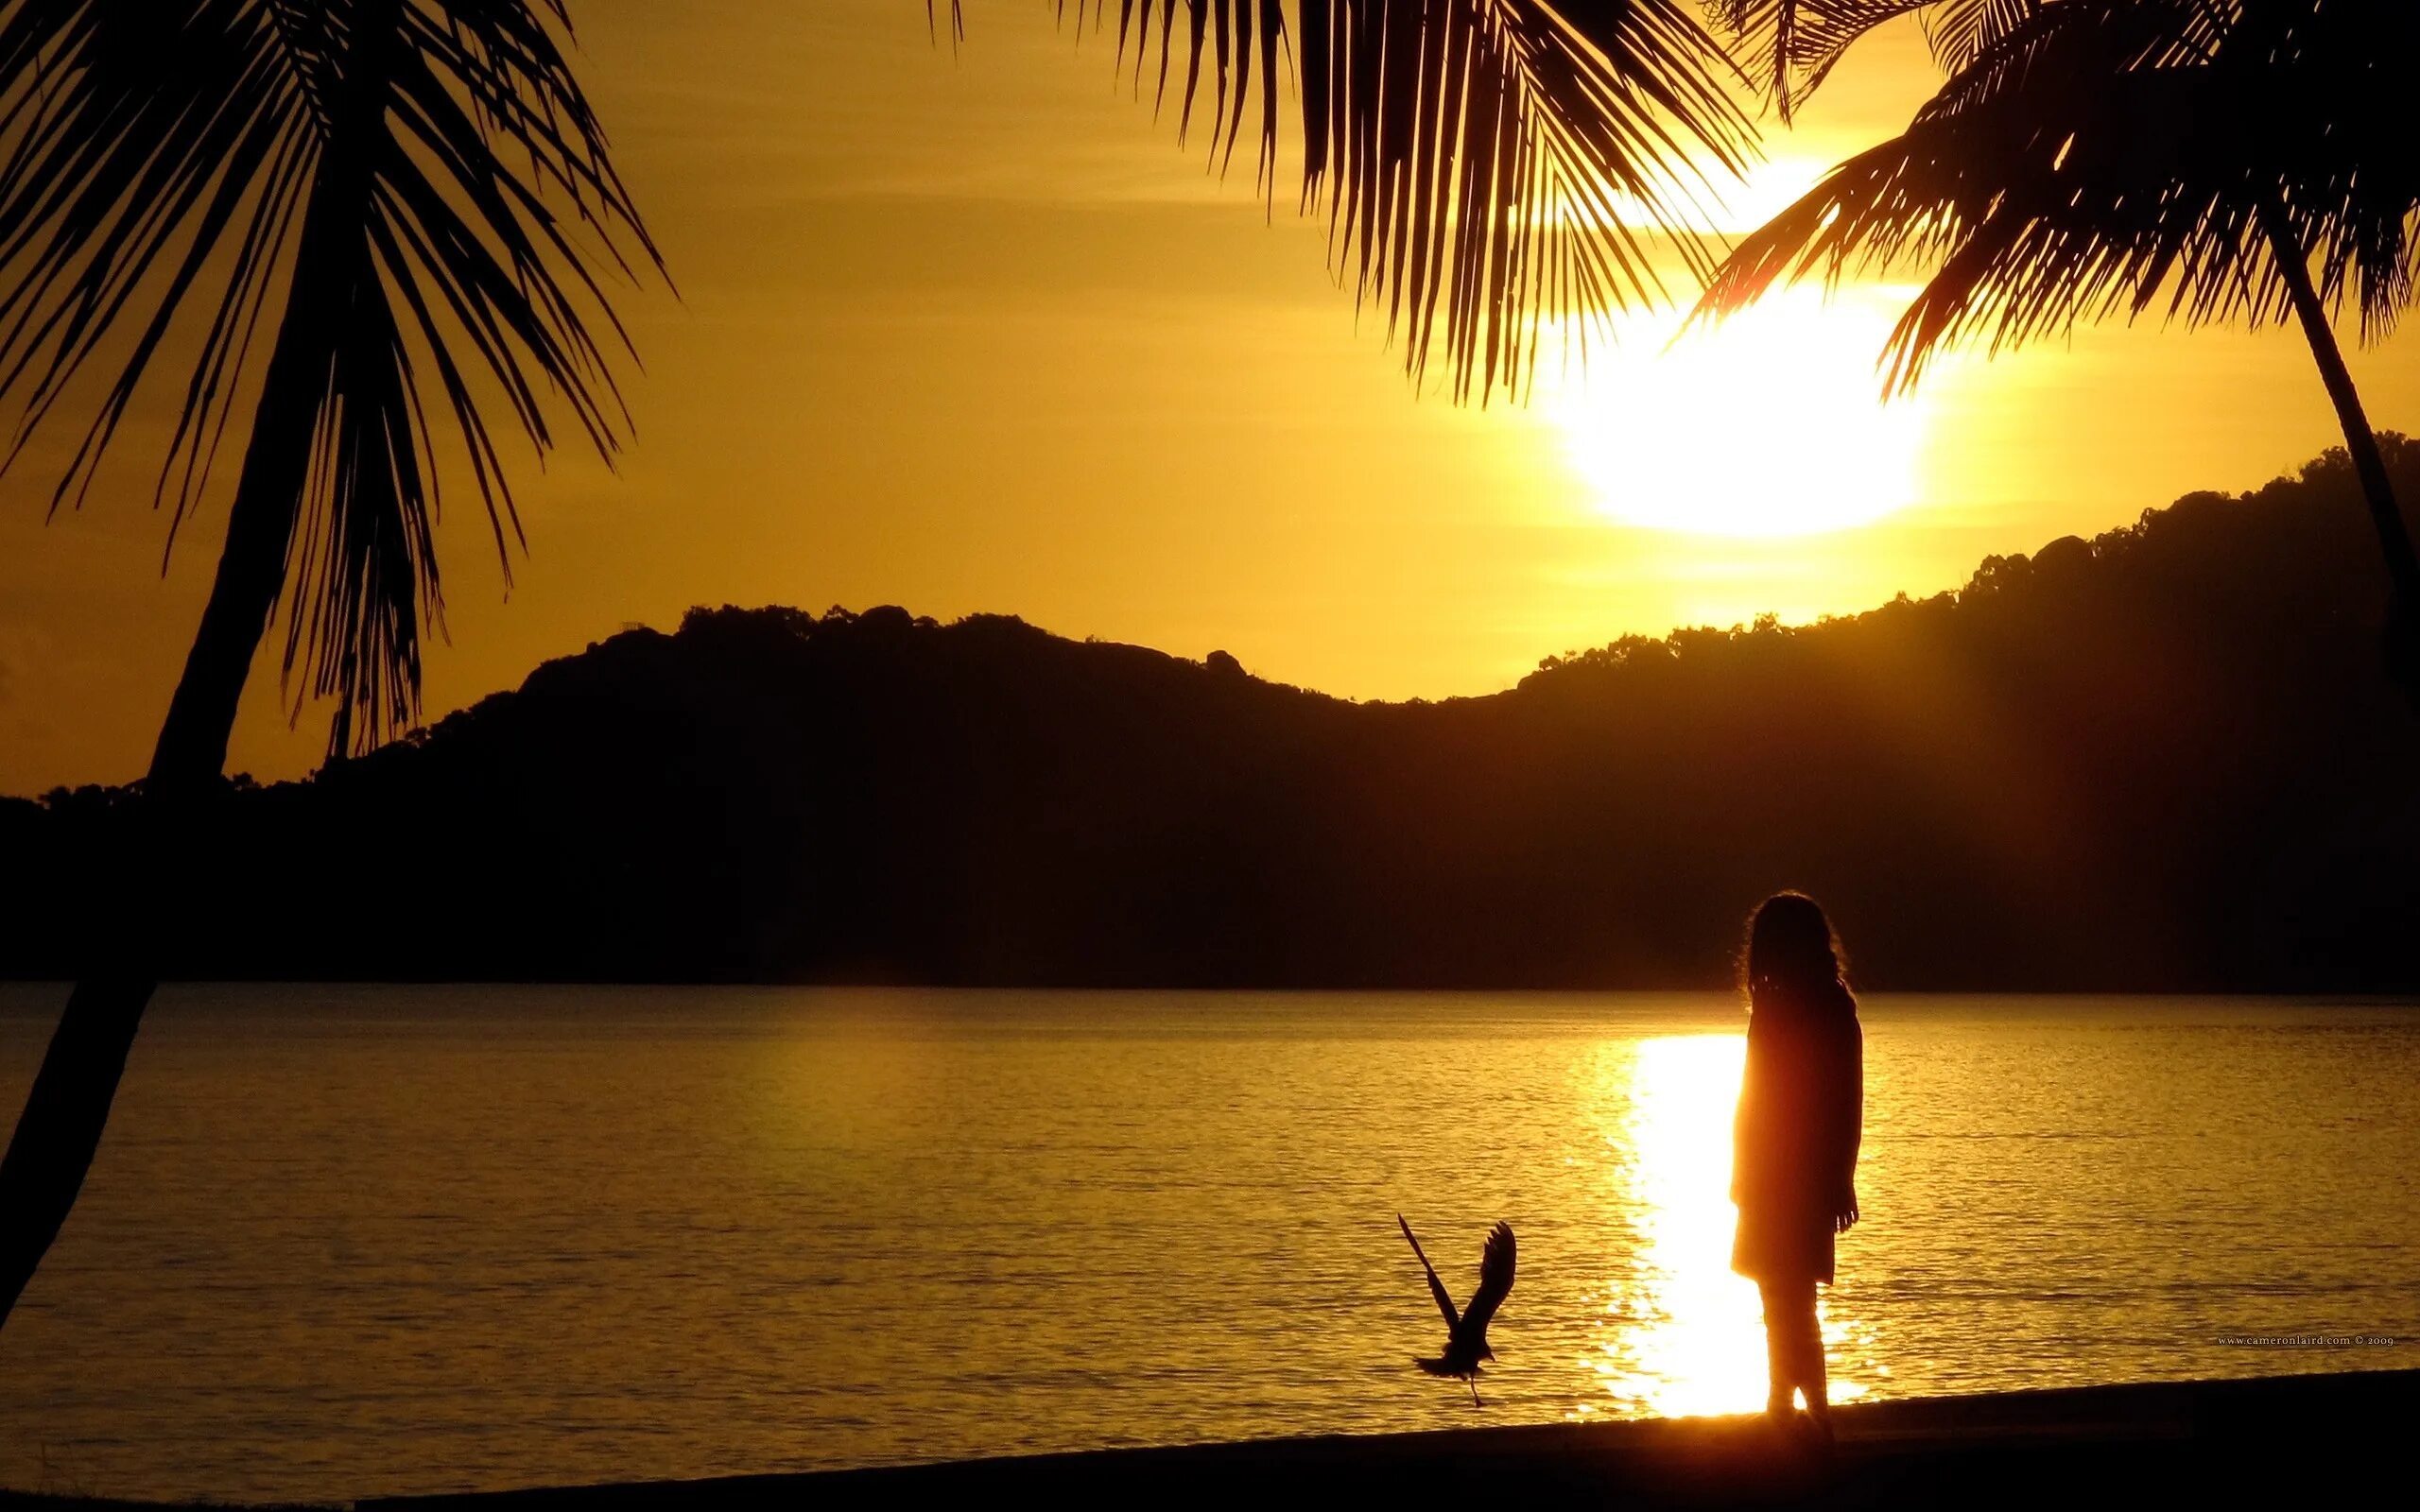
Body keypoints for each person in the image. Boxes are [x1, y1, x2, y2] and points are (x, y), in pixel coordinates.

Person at [1730, 891, 1863, 1441]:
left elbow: (1843, 1100)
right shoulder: (1778, 1005)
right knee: (1778, 1296)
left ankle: (1812, 1414)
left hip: (1798, 1178)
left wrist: (1839, 1178)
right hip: (1766, 1174)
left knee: (1792, 1300)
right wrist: (1740, 1175)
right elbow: (1752, 1093)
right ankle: (1787, 1408)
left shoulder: (1829, 1009)